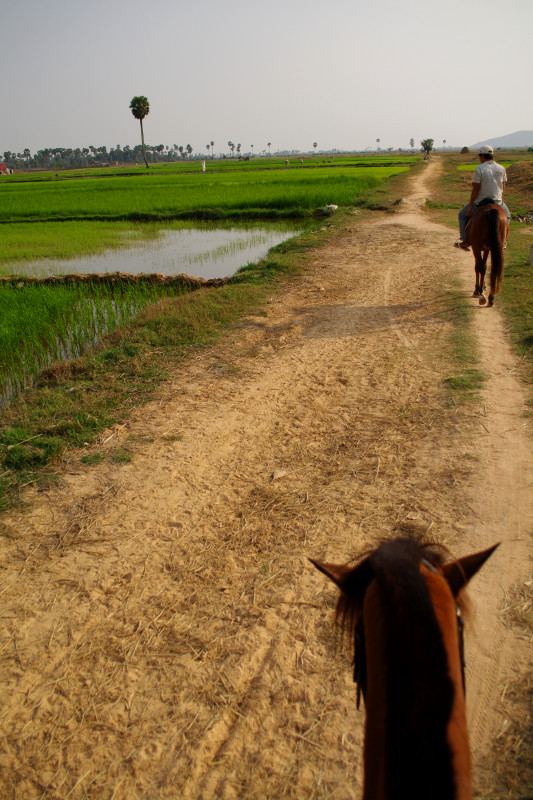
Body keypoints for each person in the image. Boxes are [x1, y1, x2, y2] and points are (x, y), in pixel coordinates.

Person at [455, 145, 510, 250]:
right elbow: (503, 186)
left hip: (480, 202)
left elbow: (476, 189)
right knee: (507, 217)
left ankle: (465, 241)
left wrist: (471, 205)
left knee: (462, 215)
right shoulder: (501, 168)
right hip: (497, 202)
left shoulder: (480, 169)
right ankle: (503, 241)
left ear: (482, 156)